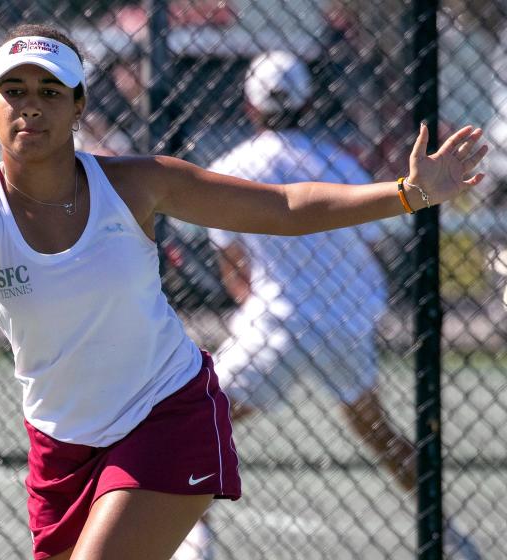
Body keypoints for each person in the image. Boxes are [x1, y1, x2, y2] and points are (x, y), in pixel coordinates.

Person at [0, 23, 488, 560]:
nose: (30, 108)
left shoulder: (137, 182)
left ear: (77, 106)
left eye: (49, 92)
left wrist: (407, 193)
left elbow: (284, 206)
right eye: (14, 91)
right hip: (59, 443)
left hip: (165, 415)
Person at [173, 51, 482, 560]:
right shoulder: (338, 162)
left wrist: (265, 303)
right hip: (346, 320)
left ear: (250, 106)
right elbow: (373, 241)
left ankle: (194, 539)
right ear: (308, 101)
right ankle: (450, 537)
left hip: (279, 325)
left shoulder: (231, 168)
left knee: (195, 419)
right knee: (377, 430)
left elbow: (236, 273)